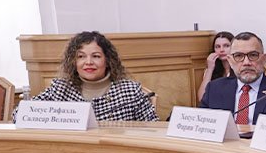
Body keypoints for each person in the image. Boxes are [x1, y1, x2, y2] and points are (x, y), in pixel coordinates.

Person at [11, 31, 158, 122]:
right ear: (74, 62)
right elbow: (19, 115)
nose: (88, 62)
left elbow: (153, 127)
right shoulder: (61, 89)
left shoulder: (129, 91)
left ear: (108, 61)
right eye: (81, 56)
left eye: (96, 56)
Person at [199, 31, 266, 124]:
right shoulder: (214, 88)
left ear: (264, 59)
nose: (246, 62)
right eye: (239, 56)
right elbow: (201, 127)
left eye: (253, 55)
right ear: (230, 61)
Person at [197, 31, 234, 101]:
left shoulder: (240, 69)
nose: (221, 50)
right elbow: (202, 98)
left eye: (226, 46)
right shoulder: (211, 71)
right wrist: (210, 69)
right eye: (218, 47)